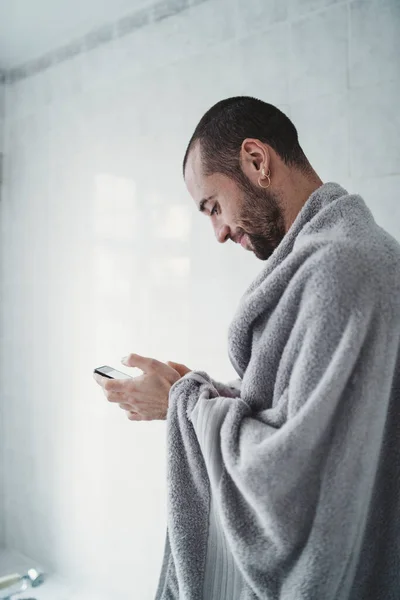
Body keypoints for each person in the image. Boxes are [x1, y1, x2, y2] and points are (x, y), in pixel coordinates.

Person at [94, 97, 400, 600]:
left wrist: (179, 403)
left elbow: (290, 477)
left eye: (213, 206)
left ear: (257, 161)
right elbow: (312, 415)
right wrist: (210, 392)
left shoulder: (339, 269)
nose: (217, 232)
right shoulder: (357, 252)